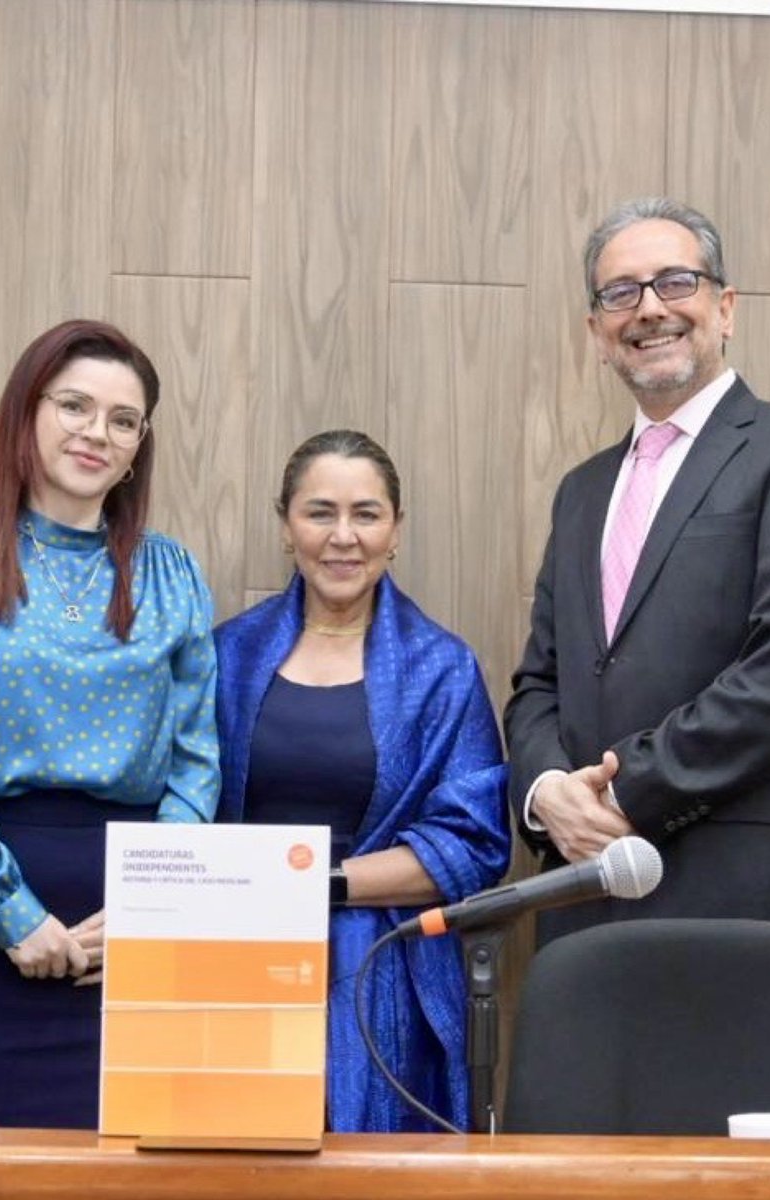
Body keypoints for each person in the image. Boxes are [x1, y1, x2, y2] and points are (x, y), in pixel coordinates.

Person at [0, 318, 220, 1128]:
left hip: (129, 923)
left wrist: (154, 905)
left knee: (136, 1157)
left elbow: (197, 759)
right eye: (73, 406)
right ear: (27, 410)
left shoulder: (170, 573)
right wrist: (13, 913)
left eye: (123, 420)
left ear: (139, 447)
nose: (97, 433)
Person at [505, 196, 770, 946]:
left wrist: (626, 792)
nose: (649, 308)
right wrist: (551, 793)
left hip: (745, 892)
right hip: (586, 890)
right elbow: (541, 683)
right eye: (621, 293)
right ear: (598, 333)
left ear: (726, 308)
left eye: (676, 282)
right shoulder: (581, 491)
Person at [215, 430, 510, 1132]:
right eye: (320, 512)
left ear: (395, 530)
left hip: (382, 976)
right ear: (286, 525)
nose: (343, 537)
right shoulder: (226, 655)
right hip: (231, 958)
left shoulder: (442, 668)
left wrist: (315, 883)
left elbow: (472, 847)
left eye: (366, 514)